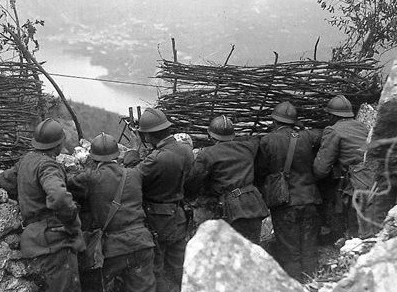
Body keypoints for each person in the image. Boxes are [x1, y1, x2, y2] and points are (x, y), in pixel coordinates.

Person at [0, 118, 84, 292]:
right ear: (58, 145)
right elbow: (59, 196)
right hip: (54, 239)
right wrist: (71, 223)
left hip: (34, 238)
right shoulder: (48, 166)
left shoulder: (26, 160)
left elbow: (6, 180)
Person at [68, 132, 156, 292]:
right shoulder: (134, 173)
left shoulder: (91, 178)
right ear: (117, 154)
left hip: (113, 249)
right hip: (142, 243)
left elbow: (67, 184)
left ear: (93, 158)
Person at [124, 107, 193, 292]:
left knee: (157, 267)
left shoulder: (157, 159)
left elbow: (131, 177)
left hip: (158, 219)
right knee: (179, 266)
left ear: (148, 135)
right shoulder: (186, 150)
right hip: (179, 215)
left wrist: (133, 149)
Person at [255, 101, 322, 282]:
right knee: (309, 249)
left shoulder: (268, 140)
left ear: (275, 122)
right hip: (310, 200)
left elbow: (260, 172)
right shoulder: (308, 137)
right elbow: (322, 135)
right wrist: (300, 127)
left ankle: (294, 286)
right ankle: (312, 284)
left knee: (289, 251)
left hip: (285, 203)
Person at [185, 116, 269, 244]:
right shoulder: (248, 147)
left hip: (231, 210)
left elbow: (194, 181)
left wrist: (189, 197)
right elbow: (258, 140)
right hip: (253, 205)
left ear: (211, 137)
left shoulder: (207, 154)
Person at [313, 95, 372, 237]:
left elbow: (320, 169)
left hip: (357, 184)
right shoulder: (362, 127)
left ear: (332, 116)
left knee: (357, 231)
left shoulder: (333, 130)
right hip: (372, 179)